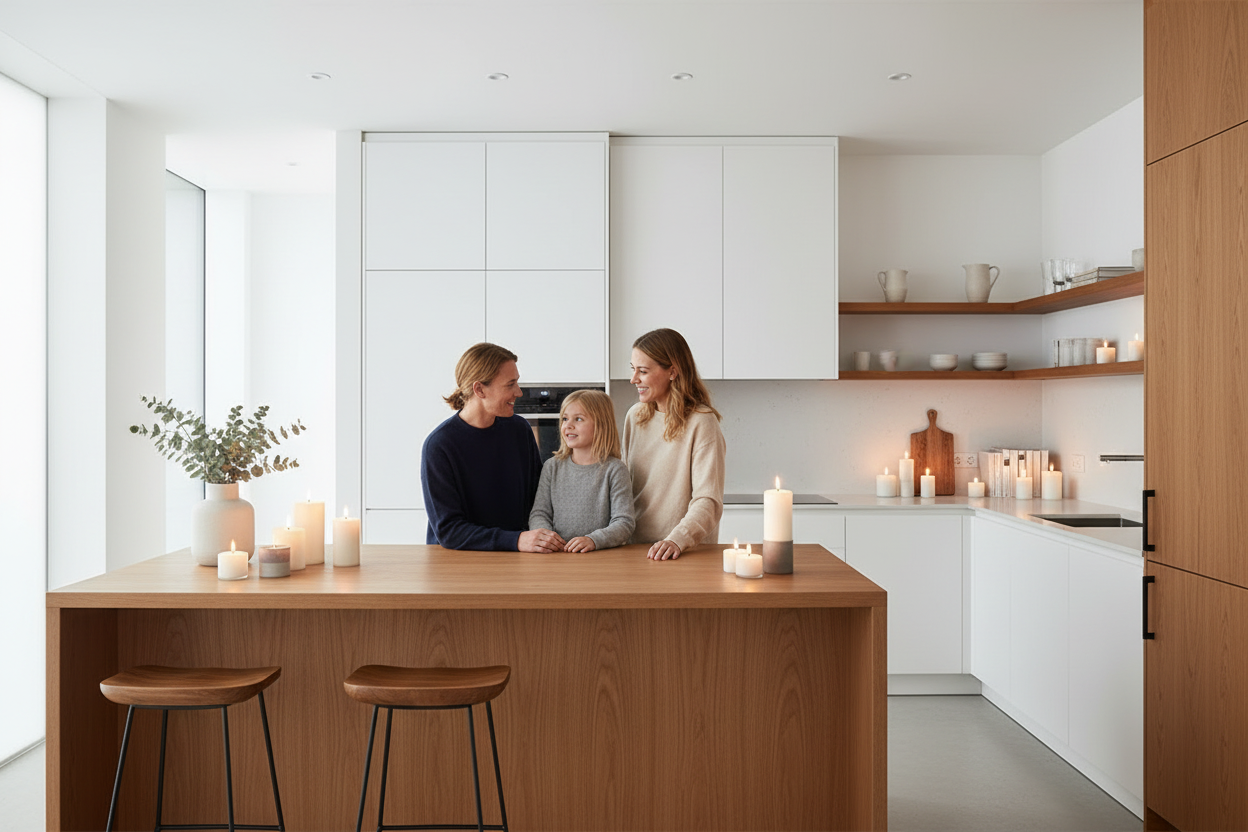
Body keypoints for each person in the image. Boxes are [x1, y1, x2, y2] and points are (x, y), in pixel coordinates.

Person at [420, 342, 564, 552]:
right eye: (510, 384)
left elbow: (538, 501)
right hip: (458, 565)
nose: (519, 392)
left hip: (515, 558)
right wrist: (516, 540)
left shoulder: (519, 430)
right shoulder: (440, 445)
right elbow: (450, 532)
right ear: (479, 389)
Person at [623, 328, 726, 560]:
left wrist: (676, 539)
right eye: (633, 369)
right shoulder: (635, 416)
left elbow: (707, 500)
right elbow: (624, 485)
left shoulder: (702, 422)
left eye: (643, 371)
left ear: (672, 371)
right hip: (635, 548)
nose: (633, 379)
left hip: (683, 551)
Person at [528, 389, 635, 552]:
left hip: (600, 557)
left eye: (578, 419)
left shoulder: (615, 470)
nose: (568, 425)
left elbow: (624, 523)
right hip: (557, 555)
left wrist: (593, 540)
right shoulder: (552, 467)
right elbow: (539, 514)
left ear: (601, 425)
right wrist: (547, 539)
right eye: (565, 419)